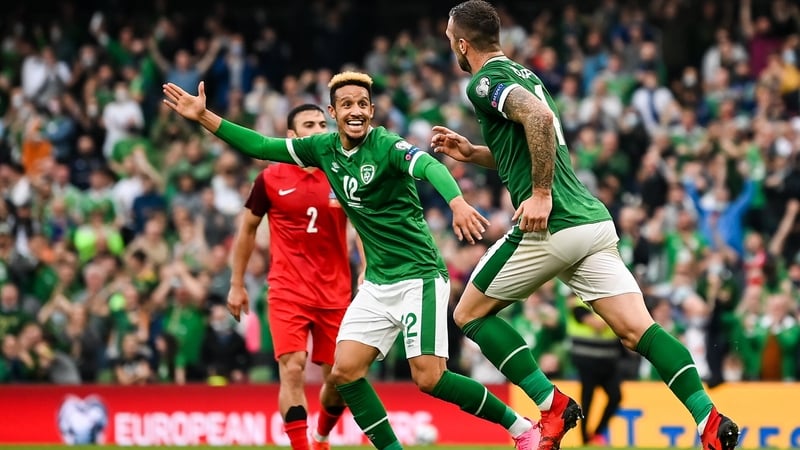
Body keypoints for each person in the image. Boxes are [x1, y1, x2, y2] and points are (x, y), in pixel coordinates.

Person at [162, 72, 540, 450]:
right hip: (376, 283)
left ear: (372, 111)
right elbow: (260, 144)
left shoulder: (387, 145)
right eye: (347, 104)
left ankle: (520, 427)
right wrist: (205, 117)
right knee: (344, 373)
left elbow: (430, 166)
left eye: (362, 104)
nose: (355, 110)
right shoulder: (322, 149)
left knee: (428, 378)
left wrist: (456, 202)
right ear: (333, 112)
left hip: (418, 276)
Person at [432, 3, 740, 450]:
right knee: (639, 330)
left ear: (462, 44)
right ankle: (708, 419)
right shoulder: (525, 74)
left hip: (551, 225)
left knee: (468, 314)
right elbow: (532, 138)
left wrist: (540, 194)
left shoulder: (483, 81)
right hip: (592, 222)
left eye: (448, 38)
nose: (449, 45)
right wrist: (474, 152)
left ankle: (550, 404)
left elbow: (536, 120)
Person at [227, 103, 353, 450]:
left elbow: (365, 227)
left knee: (340, 377)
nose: (317, 129)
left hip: (335, 291)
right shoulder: (270, 178)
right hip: (288, 289)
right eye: (308, 124)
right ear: (292, 137)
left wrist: (372, 273)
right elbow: (248, 230)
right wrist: (237, 284)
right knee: (292, 367)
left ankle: (322, 437)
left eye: (321, 123)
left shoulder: (344, 174)